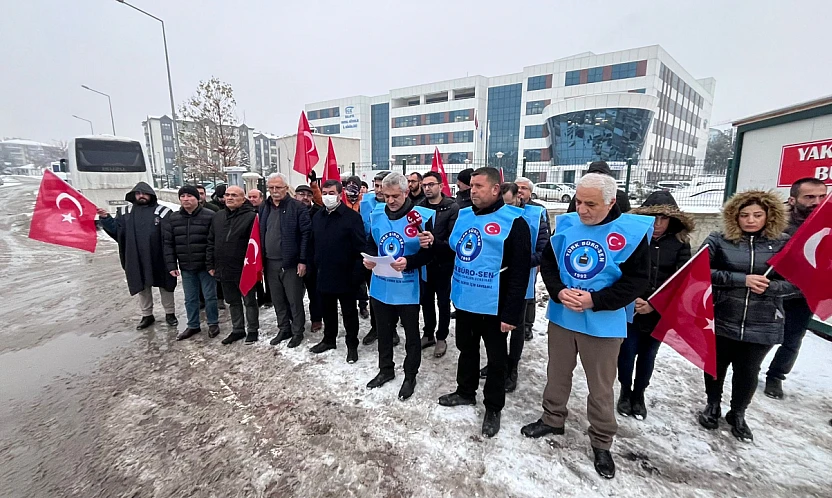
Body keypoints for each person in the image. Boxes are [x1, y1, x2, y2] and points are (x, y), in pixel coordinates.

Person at [521, 173, 652, 479]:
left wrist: (596, 300)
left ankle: (602, 440)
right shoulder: (567, 224)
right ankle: (553, 418)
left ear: (611, 201)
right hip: (564, 317)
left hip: (604, 324)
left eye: (590, 203)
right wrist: (557, 290)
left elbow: (637, 281)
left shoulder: (630, 232)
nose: (581, 209)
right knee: (557, 373)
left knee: (601, 387)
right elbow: (550, 265)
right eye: (578, 201)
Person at [437, 167, 531, 438]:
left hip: (496, 302)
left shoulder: (515, 222)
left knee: (496, 357)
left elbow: (519, 272)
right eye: (471, 186)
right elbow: (456, 249)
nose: (472, 190)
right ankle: (465, 391)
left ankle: (493, 406)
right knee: (466, 348)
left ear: (495, 189)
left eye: (478, 186)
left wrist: (511, 314)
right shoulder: (464, 215)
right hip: (467, 297)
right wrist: (435, 243)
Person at [698, 190, 796, 442]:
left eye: (757, 215)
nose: (750, 220)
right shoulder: (719, 240)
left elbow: (795, 281)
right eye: (744, 215)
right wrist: (741, 280)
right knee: (716, 367)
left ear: (769, 215)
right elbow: (698, 271)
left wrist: (772, 286)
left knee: (748, 371)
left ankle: (738, 412)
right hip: (722, 315)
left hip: (763, 320)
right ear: (735, 216)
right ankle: (713, 405)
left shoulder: (784, 243)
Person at [617, 191, 693, 420]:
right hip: (631, 308)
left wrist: (654, 304)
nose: (658, 224)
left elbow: (681, 280)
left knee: (648, 355)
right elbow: (622, 271)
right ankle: (625, 391)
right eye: (653, 217)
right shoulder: (634, 240)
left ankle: (639, 394)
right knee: (627, 353)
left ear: (673, 220)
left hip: (659, 312)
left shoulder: (680, 244)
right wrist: (631, 298)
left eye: (664, 218)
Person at [363, 172, 436, 401]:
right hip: (381, 284)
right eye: (386, 196)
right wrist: (369, 259)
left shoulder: (421, 216)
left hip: (408, 287)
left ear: (406, 192)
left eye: (395, 196)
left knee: (411, 335)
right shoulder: (377, 213)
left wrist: (410, 262)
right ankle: (385, 369)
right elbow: (371, 243)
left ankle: (410, 375)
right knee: (384, 331)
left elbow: (430, 253)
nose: (391, 201)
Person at [481, 179, 550, 393]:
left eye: (509, 204)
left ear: (521, 197)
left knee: (516, 327)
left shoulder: (535, 215)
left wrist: (516, 262)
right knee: (494, 328)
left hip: (522, 279)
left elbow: (543, 251)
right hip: (494, 280)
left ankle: (513, 366)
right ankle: (496, 362)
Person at [765, 178, 828, 399]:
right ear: (793, 199)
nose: (816, 202)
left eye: (821, 196)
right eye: (809, 197)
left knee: (792, 339)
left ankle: (776, 376)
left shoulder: (827, 224)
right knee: (761, 335)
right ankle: (745, 367)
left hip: (804, 293)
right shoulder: (774, 223)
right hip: (772, 289)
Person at [98, 182, 178, 329]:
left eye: (144, 193)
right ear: (134, 195)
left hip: (159, 256)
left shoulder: (163, 212)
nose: (141, 196)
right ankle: (147, 315)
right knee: (142, 286)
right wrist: (106, 218)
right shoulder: (124, 212)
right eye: (138, 193)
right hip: (135, 256)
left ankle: (170, 313)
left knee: (166, 286)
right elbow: (117, 231)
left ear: (151, 195)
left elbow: (170, 236)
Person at [308, 179, 367, 363]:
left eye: (331, 193)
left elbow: (360, 249)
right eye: (324, 193)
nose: (327, 197)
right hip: (324, 273)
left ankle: (352, 345)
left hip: (347, 275)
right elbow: (313, 244)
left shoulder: (351, 217)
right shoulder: (318, 217)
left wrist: (357, 276)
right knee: (328, 311)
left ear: (340, 194)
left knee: (349, 314)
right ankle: (329, 339)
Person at [260, 173, 312, 348]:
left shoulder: (297, 207)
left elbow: (306, 235)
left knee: (294, 300)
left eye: (278, 187)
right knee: (277, 299)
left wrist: (302, 260)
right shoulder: (264, 207)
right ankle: (284, 328)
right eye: (271, 188)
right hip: (269, 262)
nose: (275, 191)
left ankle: (297, 331)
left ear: (285, 188)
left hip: (290, 263)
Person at [163, 185, 220, 340]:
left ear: (198, 198)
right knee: (190, 298)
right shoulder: (174, 218)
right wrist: (171, 265)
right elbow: (168, 243)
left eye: (190, 196)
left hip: (206, 266)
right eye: (183, 196)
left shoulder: (209, 216)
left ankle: (213, 323)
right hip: (186, 266)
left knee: (210, 296)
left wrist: (213, 264)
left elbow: (214, 242)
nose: (186, 199)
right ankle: (193, 325)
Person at [207, 186, 260, 345]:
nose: (229, 198)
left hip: (245, 268)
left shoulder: (251, 217)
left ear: (243, 199)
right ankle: (237, 329)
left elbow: (256, 244)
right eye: (227, 195)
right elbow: (211, 241)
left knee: (249, 301)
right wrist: (210, 264)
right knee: (233, 301)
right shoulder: (218, 216)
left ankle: (252, 330)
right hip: (224, 268)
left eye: (234, 195)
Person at [416, 171, 459, 358]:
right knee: (425, 300)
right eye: (424, 185)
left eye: (431, 184)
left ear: (441, 186)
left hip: (444, 263)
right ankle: (428, 333)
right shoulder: (419, 207)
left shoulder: (451, 207)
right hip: (425, 264)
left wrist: (435, 241)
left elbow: (453, 240)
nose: (427, 188)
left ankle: (441, 336)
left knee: (443, 302)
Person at [515, 177, 551, 341]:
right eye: (517, 187)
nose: (520, 190)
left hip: (532, 260)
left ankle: (527, 325)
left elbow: (545, 238)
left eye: (524, 188)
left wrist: (538, 262)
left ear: (530, 192)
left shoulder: (538, 210)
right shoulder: (509, 207)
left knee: (529, 294)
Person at [359, 171, 391, 344]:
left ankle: (391, 329)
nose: (378, 190)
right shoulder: (366, 203)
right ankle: (376, 326)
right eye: (376, 185)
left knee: (391, 295)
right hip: (371, 257)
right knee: (375, 295)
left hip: (393, 258)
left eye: (382, 186)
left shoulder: (397, 205)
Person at [295, 184, 323, 332]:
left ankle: (316, 319)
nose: (305, 197)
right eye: (301, 194)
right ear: (295, 195)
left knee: (314, 293)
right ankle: (295, 320)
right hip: (293, 257)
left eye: (308, 195)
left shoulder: (318, 212)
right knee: (294, 294)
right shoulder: (289, 211)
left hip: (312, 258)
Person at [566, 161, 631, 213]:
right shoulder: (580, 196)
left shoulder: (621, 196)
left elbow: (626, 219)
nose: (582, 211)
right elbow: (569, 219)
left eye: (591, 204)